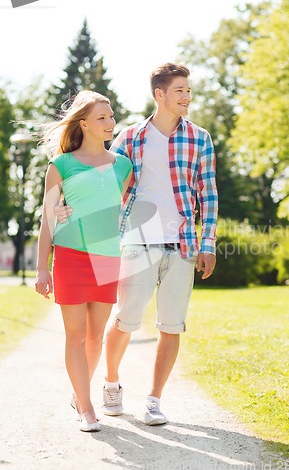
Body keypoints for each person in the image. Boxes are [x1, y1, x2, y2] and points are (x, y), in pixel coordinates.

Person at [57, 63, 218, 426]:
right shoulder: (131, 137)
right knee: (125, 321)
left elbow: (208, 192)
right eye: (179, 90)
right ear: (159, 94)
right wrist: (66, 204)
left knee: (171, 325)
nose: (186, 97)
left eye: (188, 91)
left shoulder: (200, 139)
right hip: (136, 242)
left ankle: (154, 400)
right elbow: (99, 177)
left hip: (183, 244)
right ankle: (111, 383)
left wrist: (208, 241)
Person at [35, 91, 132, 432]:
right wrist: (41, 268)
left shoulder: (123, 165)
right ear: (84, 124)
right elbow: (48, 219)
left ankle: (80, 395)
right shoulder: (60, 165)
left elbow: (114, 209)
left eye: (111, 115)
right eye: (103, 117)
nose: (110, 122)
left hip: (108, 256)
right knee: (75, 336)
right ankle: (87, 407)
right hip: (71, 256)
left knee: (95, 337)